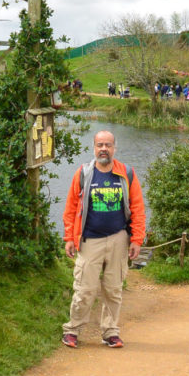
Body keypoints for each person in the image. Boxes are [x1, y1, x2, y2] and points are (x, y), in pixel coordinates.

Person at [61, 130, 145, 349]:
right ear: (94, 147)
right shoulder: (83, 174)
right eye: (100, 145)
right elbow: (70, 208)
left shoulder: (127, 173)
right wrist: (69, 237)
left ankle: (110, 332)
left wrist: (137, 239)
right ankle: (72, 330)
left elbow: (137, 208)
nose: (104, 149)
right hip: (90, 240)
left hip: (119, 239)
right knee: (84, 289)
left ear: (114, 148)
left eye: (108, 145)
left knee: (113, 289)